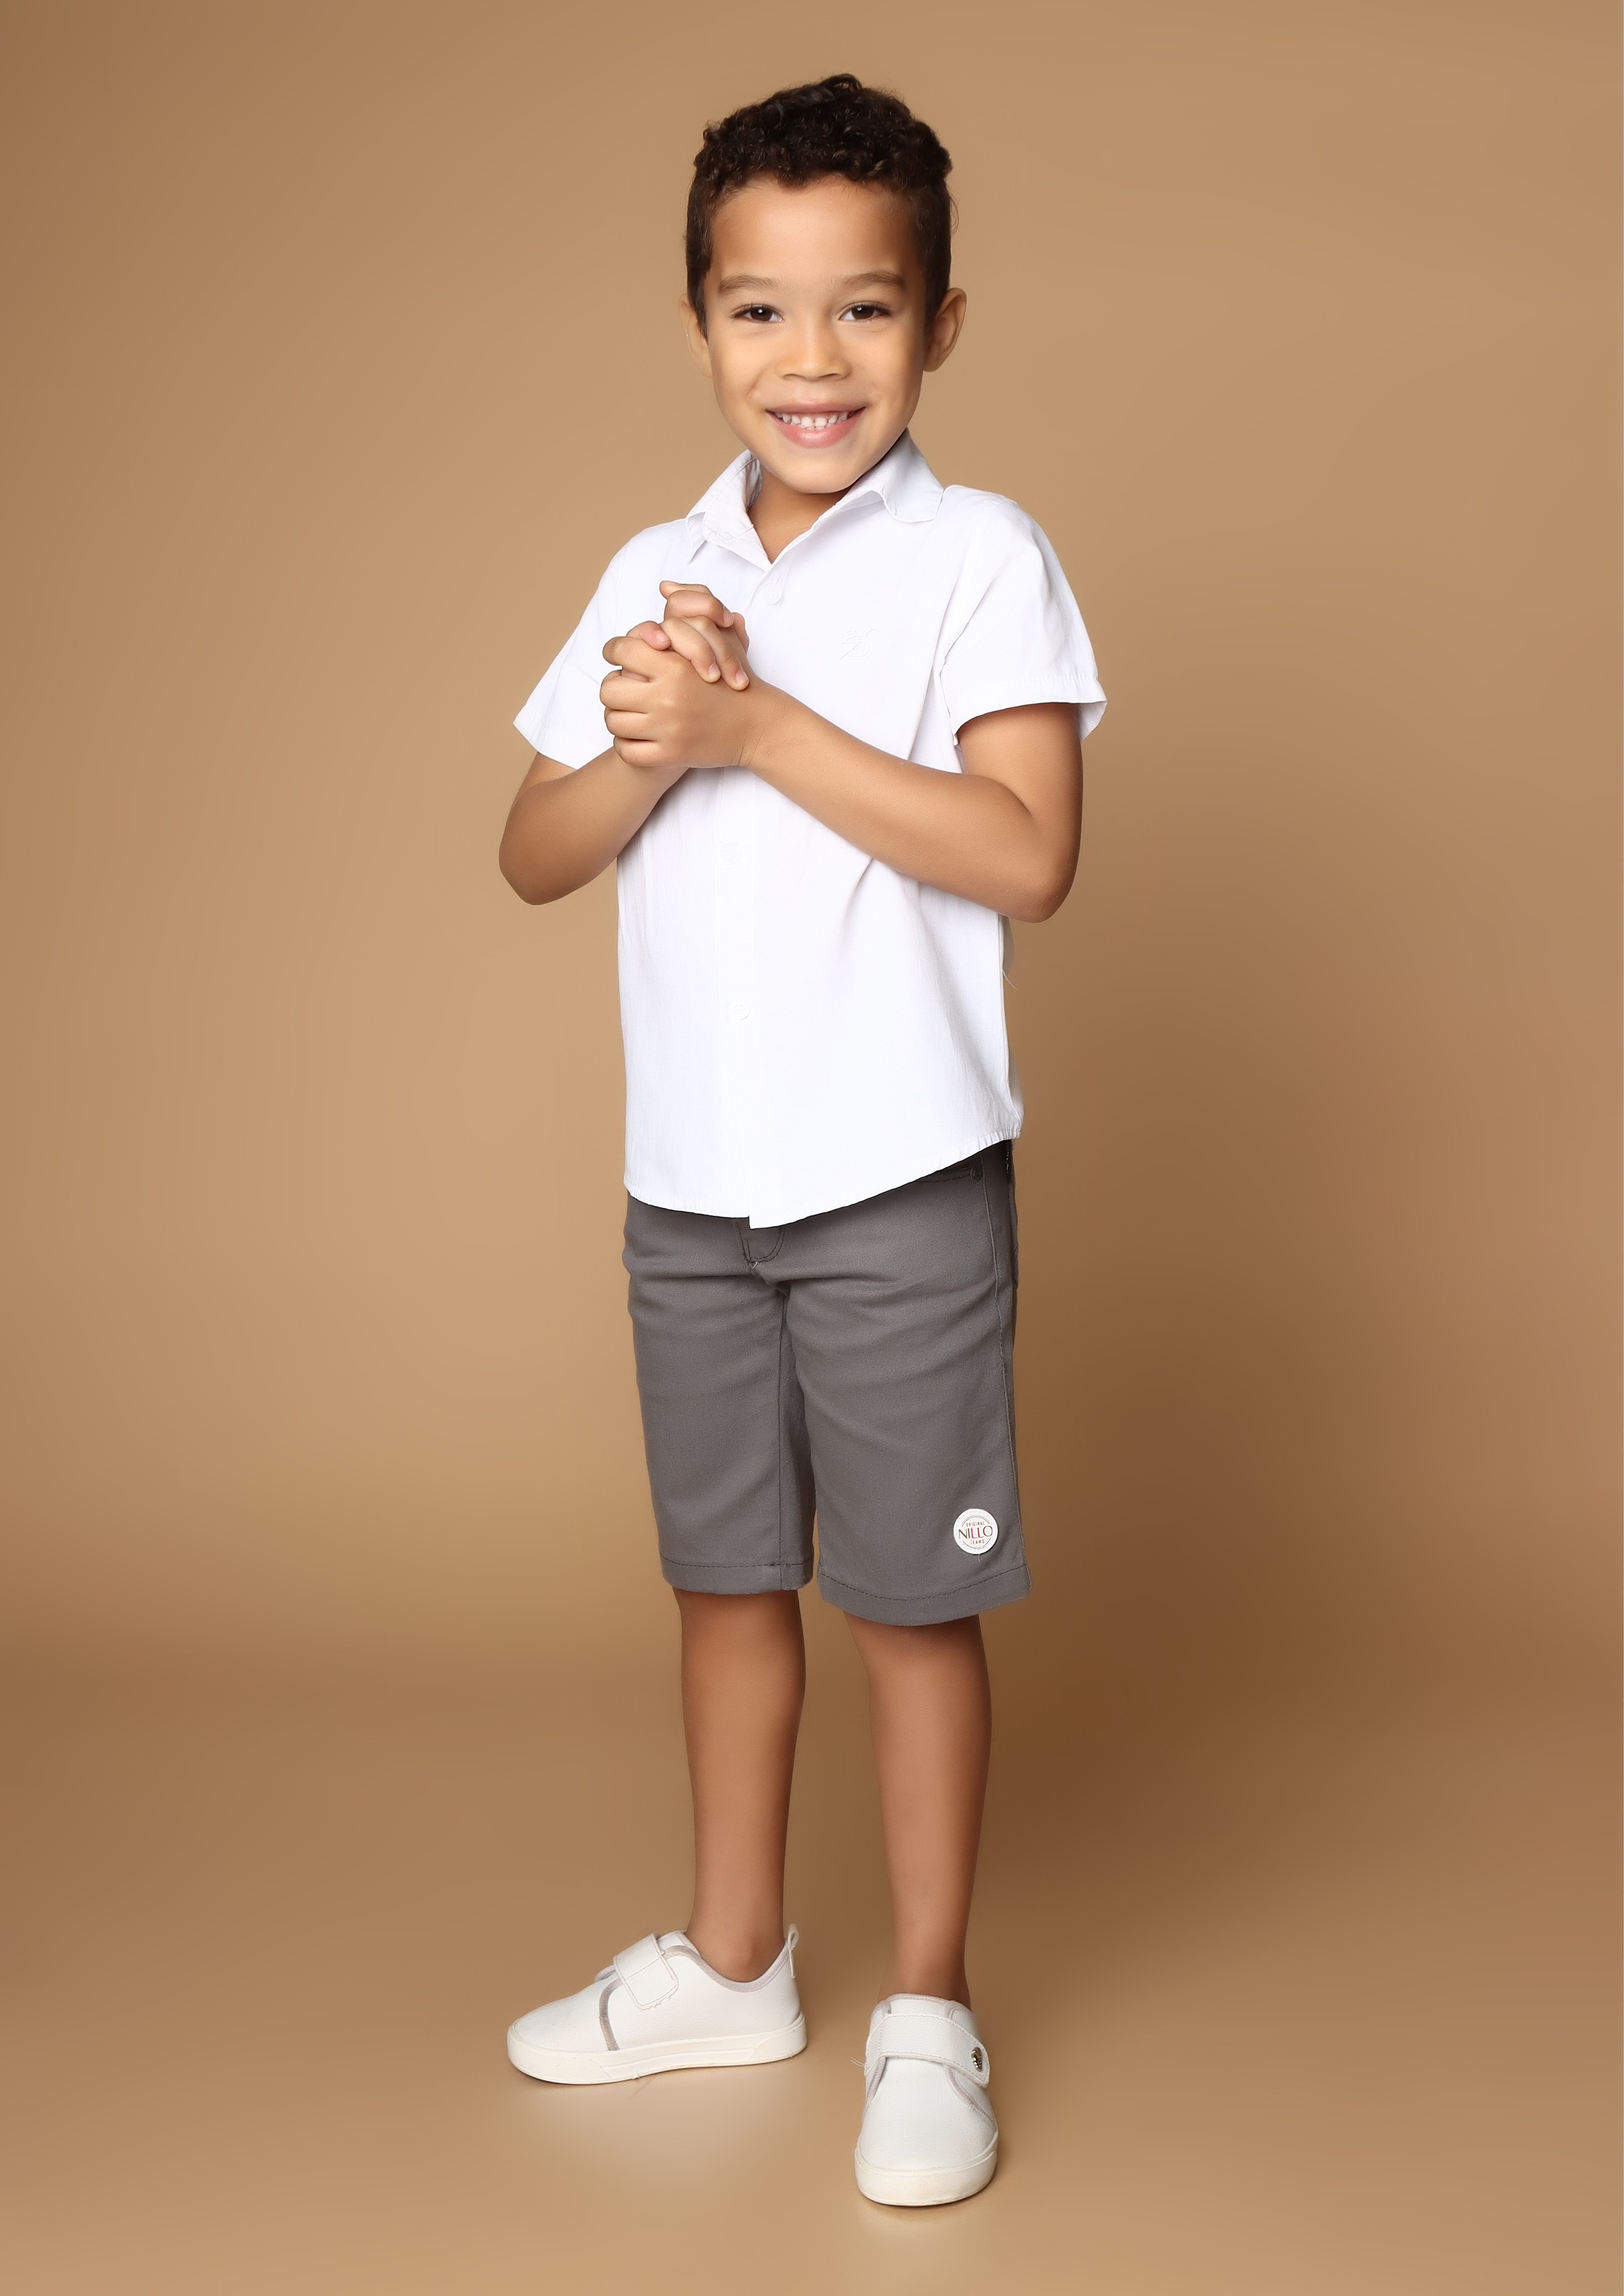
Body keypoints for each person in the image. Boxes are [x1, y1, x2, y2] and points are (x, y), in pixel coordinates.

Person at [497, 72, 1104, 2208]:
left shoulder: (979, 558)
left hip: (897, 1187)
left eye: (865, 307)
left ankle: (926, 2004)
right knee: (725, 1581)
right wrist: (660, 744)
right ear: (699, 325)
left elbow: (1026, 856)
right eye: (760, 310)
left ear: (941, 323)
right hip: (691, 1192)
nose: (811, 357)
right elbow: (533, 848)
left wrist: (756, 726)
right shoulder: (652, 566)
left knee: (907, 1609)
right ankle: (736, 1960)